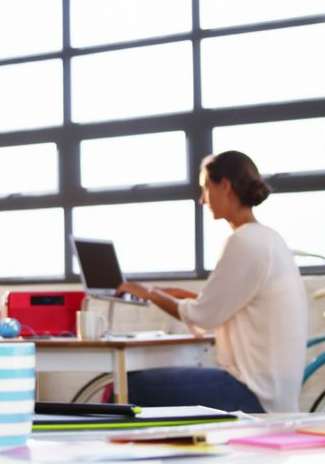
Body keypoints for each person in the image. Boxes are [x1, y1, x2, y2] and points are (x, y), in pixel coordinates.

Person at [117, 151, 308, 413]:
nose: (202, 199)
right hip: (275, 389)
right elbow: (225, 305)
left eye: (206, 188)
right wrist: (176, 295)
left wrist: (150, 293)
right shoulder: (268, 238)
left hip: (254, 392)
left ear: (226, 186)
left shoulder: (243, 241)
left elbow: (203, 317)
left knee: (130, 385)